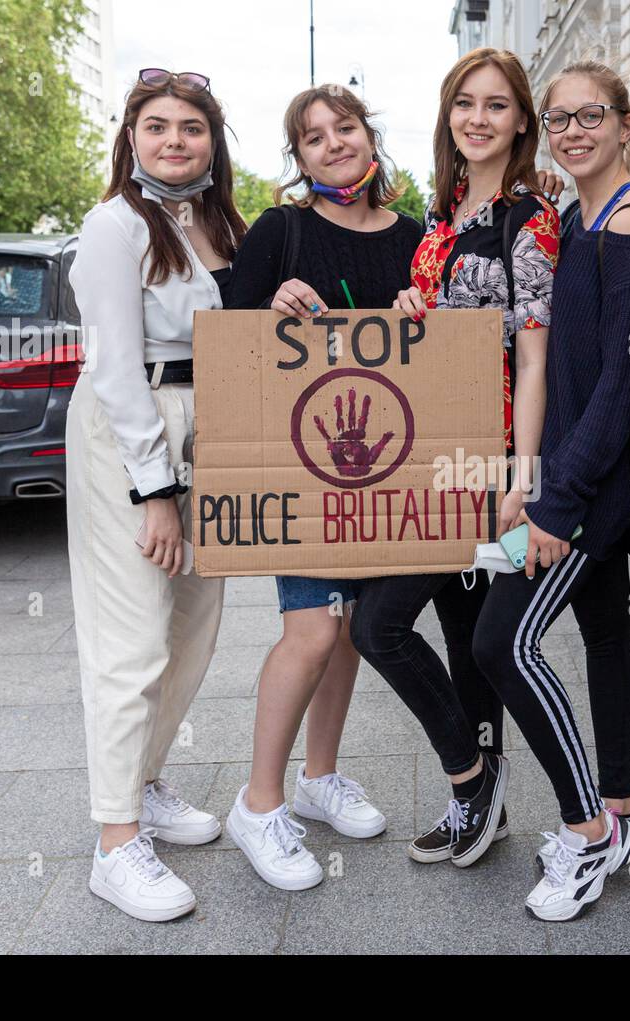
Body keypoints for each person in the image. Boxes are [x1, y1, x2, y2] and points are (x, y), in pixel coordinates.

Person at [470, 60, 630, 922]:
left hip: (590, 491)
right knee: (601, 632)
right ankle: (622, 812)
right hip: (577, 479)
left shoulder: (629, 225)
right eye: (559, 119)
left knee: (501, 644)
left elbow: (624, 388)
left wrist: (555, 502)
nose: (575, 130)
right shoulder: (584, 216)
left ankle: (586, 833)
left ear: (625, 126)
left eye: (592, 116)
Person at [352, 47, 559, 869]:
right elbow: (441, 329)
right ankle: (484, 797)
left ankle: (471, 781)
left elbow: (536, 358)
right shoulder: (442, 215)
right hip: (433, 449)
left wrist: (525, 473)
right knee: (463, 629)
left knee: (379, 623)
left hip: (491, 458)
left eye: (497, 105)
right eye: (465, 102)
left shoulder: (528, 216)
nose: (478, 117)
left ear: (520, 121)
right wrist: (413, 305)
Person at [220, 85, 419, 891]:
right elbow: (229, 332)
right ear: (297, 158)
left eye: (345, 128)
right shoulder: (284, 229)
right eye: (313, 138)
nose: (333, 144)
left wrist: (422, 308)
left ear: (369, 135)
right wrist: (271, 303)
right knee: (309, 630)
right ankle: (258, 803)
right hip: (298, 464)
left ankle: (319, 777)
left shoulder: (414, 236)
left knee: (345, 631)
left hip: (381, 465)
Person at [67, 68, 247, 922]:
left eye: (192, 127)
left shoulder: (216, 221)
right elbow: (113, 368)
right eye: (157, 126)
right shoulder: (112, 226)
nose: (175, 140)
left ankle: (145, 778)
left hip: (211, 420)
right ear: (131, 137)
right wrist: (156, 490)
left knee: (192, 629)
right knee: (132, 636)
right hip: (133, 425)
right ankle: (116, 840)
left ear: (213, 140)